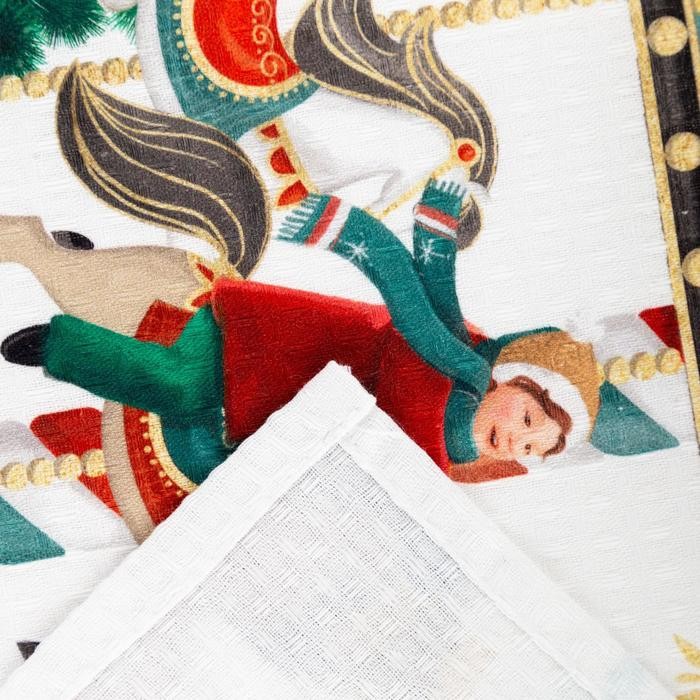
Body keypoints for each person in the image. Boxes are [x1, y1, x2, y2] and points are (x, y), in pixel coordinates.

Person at [2, 170, 602, 485]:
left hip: (276, 411)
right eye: (528, 419)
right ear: (511, 381)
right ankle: (61, 344)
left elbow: (433, 296)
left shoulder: (451, 455)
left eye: (532, 448)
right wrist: (358, 235)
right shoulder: (460, 368)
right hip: (259, 352)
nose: (516, 440)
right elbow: (420, 309)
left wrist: (435, 229)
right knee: (184, 387)